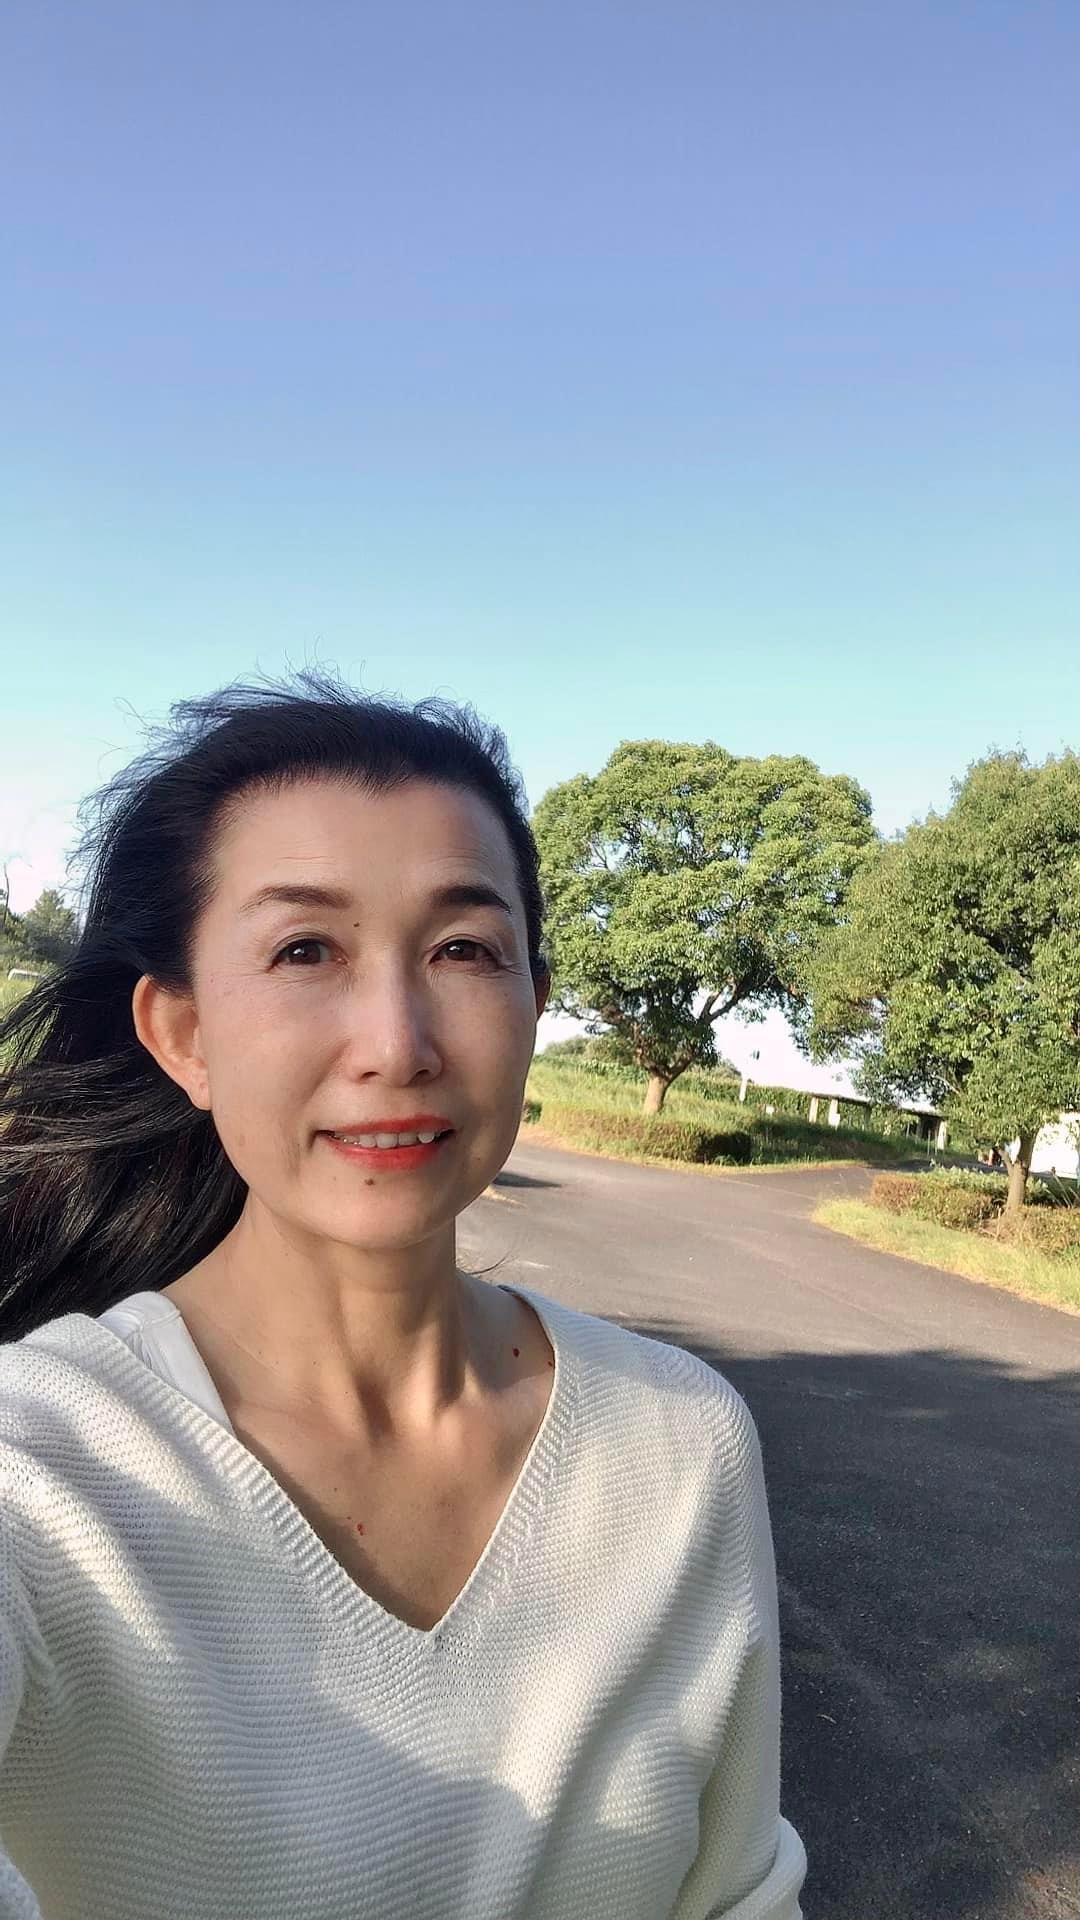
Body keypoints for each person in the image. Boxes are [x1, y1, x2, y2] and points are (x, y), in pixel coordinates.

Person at [0, 671, 807, 1920]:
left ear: (534, 1005)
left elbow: (737, 1894)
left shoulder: (681, 1438)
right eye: (305, 950)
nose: (398, 1043)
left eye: (463, 950)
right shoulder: (43, 1467)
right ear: (182, 1035)